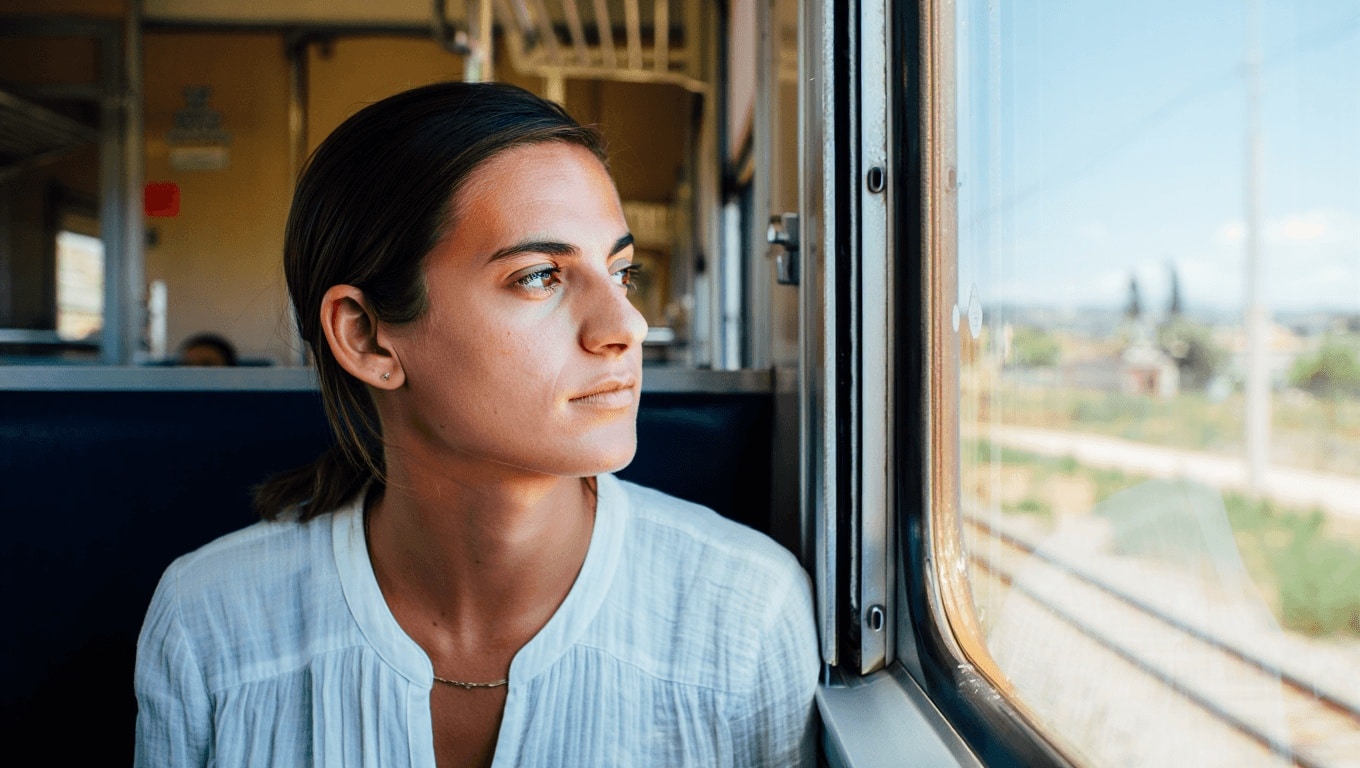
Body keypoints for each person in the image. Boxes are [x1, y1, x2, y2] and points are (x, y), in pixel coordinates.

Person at [133, 81, 819, 767]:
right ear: (368, 338)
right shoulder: (211, 624)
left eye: (622, 272)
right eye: (540, 276)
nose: (626, 326)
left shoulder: (742, 615)